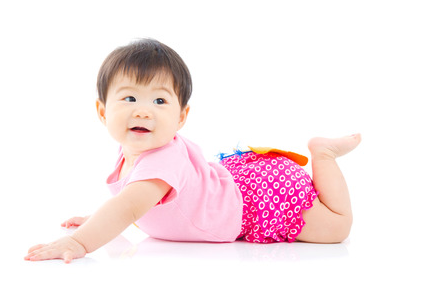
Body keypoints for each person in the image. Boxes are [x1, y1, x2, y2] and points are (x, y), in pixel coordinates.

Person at [25, 38, 361, 263]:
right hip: (230, 185)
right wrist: (99, 221)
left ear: (181, 116)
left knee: (337, 229)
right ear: (102, 112)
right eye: (129, 98)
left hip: (259, 200)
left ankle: (324, 156)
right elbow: (127, 205)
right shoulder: (130, 152)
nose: (143, 111)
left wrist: (80, 242)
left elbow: (127, 206)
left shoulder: (163, 160)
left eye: (159, 100)